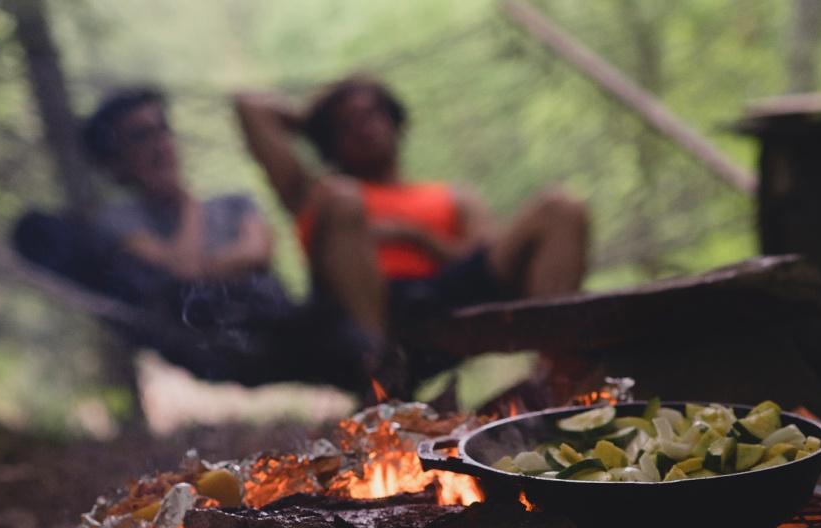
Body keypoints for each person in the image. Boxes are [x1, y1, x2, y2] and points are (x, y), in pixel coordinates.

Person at [233, 75, 590, 340]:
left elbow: (485, 256)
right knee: (344, 197)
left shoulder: (452, 196)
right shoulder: (315, 195)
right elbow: (249, 105)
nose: (362, 128)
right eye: (346, 124)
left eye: (371, 114)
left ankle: (556, 365)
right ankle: (379, 367)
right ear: (330, 141)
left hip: (449, 292)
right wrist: (316, 120)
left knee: (562, 206)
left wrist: (415, 237)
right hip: (363, 311)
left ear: (395, 122)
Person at [78, 87, 383, 391]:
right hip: (222, 343)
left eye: (162, 129)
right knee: (343, 339)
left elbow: (257, 254)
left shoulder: (235, 202)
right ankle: (379, 377)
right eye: (142, 136)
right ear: (116, 161)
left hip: (285, 320)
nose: (160, 144)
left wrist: (198, 265)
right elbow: (182, 272)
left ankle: (380, 372)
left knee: (342, 209)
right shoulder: (118, 221)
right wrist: (187, 204)